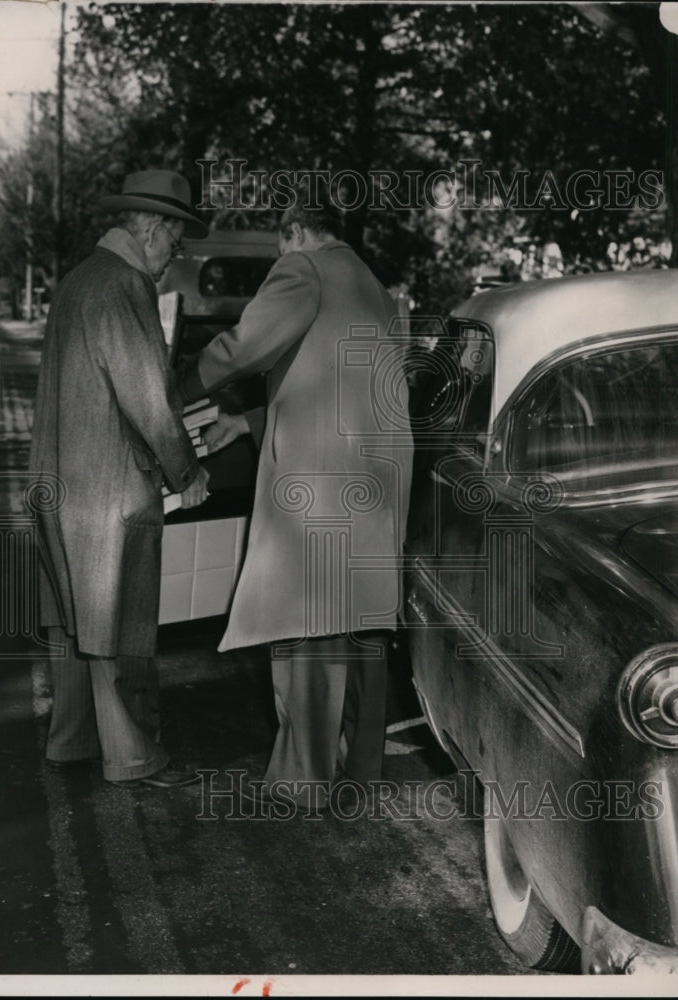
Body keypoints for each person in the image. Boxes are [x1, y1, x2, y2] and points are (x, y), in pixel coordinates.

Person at [180, 195, 413, 810]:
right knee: (360, 631)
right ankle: (359, 775)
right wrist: (252, 421)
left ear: (295, 233)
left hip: (319, 490)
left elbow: (241, 347)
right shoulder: (370, 283)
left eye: (281, 245)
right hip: (374, 484)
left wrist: (168, 381)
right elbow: (341, 382)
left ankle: (303, 782)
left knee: (306, 630)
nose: (278, 258)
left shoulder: (302, 269)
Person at [29, 169, 210, 789]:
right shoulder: (125, 285)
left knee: (73, 620)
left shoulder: (79, 280)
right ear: (152, 228)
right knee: (122, 620)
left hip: (58, 480)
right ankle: (135, 756)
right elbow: (150, 398)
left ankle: (72, 740)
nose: (173, 257)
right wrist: (187, 470)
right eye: (176, 243)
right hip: (108, 486)